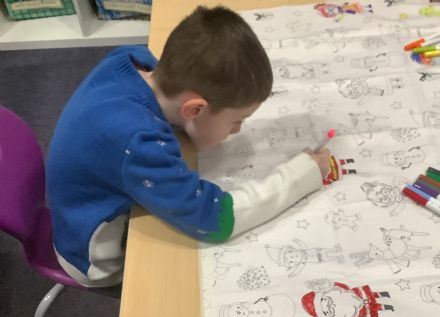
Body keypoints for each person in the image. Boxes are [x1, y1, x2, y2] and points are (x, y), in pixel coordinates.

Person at [46, 5, 331, 292]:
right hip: (94, 257)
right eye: (236, 121)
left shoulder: (132, 59)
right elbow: (214, 218)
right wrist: (302, 174)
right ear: (194, 109)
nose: (237, 131)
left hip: (78, 208)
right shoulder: (141, 145)